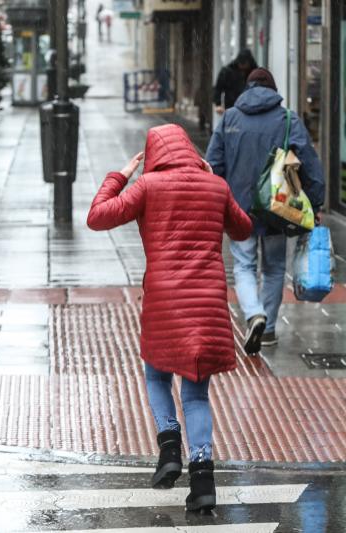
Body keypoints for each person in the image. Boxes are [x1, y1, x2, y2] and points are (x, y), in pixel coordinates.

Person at [87, 124, 252, 513]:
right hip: (207, 302)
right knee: (196, 394)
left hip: (164, 301)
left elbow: (97, 216)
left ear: (155, 154)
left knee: (156, 375)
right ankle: (203, 481)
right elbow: (243, 230)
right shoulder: (215, 187)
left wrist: (119, 176)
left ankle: (169, 446)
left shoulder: (148, 186)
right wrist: (214, 181)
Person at [206, 68, 325, 354]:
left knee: (244, 266)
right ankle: (268, 328)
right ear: (273, 90)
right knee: (273, 268)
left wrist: (216, 203)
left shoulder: (230, 118)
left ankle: (254, 314)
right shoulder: (288, 120)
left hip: (239, 209)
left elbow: (212, 164)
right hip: (278, 208)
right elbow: (309, 164)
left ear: (247, 88)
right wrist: (315, 203)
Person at [213, 49, 258, 115]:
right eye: (241, 63)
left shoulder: (255, 73)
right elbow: (218, 88)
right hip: (232, 107)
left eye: (244, 63)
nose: (242, 66)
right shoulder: (227, 71)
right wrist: (218, 104)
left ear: (249, 63)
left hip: (250, 108)